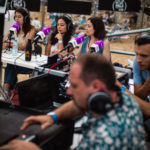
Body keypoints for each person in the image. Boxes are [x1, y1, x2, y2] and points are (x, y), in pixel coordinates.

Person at [0, 54, 147, 150]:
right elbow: (78, 104)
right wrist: (52, 117)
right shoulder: (123, 99)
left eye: (75, 86)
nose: (69, 92)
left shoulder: (106, 138)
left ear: (96, 87)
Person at [2, 7, 36, 91]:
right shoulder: (14, 28)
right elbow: (3, 43)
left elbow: (24, 46)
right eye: (15, 16)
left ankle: (6, 90)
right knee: (11, 66)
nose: (17, 19)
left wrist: (9, 44)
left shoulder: (31, 30)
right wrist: (10, 32)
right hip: (15, 60)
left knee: (10, 67)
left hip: (27, 61)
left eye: (19, 16)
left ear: (26, 18)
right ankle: (8, 91)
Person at [133, 34, 150, 101]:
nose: (138, 60)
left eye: (144, 56)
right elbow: (138, 97)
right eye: (136, 54)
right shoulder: (136, 61)